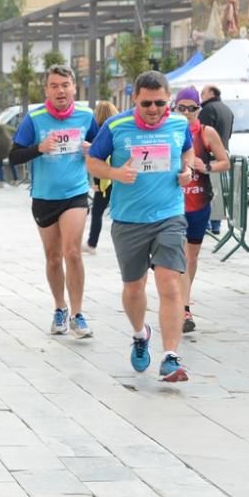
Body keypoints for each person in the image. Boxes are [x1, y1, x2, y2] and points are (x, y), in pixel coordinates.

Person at [86, 70, 194, 383]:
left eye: (160, 102)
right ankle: (139, 333)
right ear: (135, 99)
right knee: (134, 288)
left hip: (169, 216)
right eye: (147, 103)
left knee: (169, 285)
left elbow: (187, 151)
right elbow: (93, 160)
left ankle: (170, 357)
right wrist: (115, 173)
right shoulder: (116, 126)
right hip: (129, 219)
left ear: (168, 99)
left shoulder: (178, 124)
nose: (153, 109)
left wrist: (186, 169)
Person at [9, 65, 99, 337]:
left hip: (75, 193)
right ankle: (59, 308)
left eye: (65, 85)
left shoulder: (86, 116)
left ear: (74, 87)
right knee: (53, 257)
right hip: (44, 196)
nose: (60, 90)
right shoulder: (34, 119)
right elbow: (13, 156)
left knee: (73, 252)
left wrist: (91, 150)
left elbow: (102, 149)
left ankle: (78, 313)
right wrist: (39, 148)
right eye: (54, 85)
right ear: (46, 90)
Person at [173, 86, 230, 333]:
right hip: (172, 206)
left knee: (190, 258)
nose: (187, 113)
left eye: (192, 108)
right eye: (181, 108)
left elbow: (225, 161)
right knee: (175, 258)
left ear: (199, 109)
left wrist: (205, 166)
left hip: (198, 205)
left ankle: (183, 301)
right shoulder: (169, 131)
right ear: (174, 108)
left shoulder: (207, 133)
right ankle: (182, 306)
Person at [199, 84, 235, 234]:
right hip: (223, 156)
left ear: (211, 93)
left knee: (207, 191)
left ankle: (206, 223)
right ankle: (216, 225)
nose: (201, 96)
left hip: (208, 158)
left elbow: (202, 133)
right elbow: (230, 134)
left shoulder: (207, 110)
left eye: (203, 93)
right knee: (218, 191)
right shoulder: (227, 110)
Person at [85, 100, 119, 254]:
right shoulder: (118, 129)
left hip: (105, 179)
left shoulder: (98, 133)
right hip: (120, 177)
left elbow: (99, 159)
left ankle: (92, 243)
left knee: (97, 212)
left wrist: (96, 182)